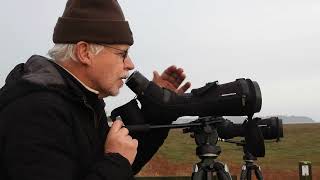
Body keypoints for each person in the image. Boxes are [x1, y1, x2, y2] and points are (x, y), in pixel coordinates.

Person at [0, 0, 191, 180]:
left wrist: (159, 110)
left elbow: (123, 165)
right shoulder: (37, 112)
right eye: (122, 54)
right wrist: (117, 161)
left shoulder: (83, 103)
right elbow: (115, 166)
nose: (130, 64)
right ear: (85, 53)